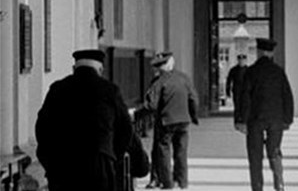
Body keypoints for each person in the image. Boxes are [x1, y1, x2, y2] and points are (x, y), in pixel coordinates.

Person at [36, 48, 150, 191]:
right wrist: (112, 156)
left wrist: (51, 163)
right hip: (99, 164)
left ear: (74, 68)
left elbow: (42, 129)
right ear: (100, 69)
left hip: (63, 165)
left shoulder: (57, 89)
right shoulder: (110, 90)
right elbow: (125, 130)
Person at [134, 52, 199, 189]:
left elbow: (151, 105)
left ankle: (167, 183)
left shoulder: (159, 81)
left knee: (163, 152)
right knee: (181, 152)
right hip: (183, 121)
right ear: (171, 63)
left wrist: (136, 114)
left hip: (166, 121)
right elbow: (193, 98)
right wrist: (193, 116)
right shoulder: (184, 78)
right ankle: (182, 181)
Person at [236, 38, 293, 191]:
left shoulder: (251, 71)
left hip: (255, 119)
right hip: (275, 119)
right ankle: (279, 183)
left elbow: (244, 97)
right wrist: (287, 119)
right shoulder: (278, 72)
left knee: (255, 156)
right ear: (271, 53)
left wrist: (241, 120)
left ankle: (257, 187)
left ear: (259, 52)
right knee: (274, 151)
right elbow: (287, 95)